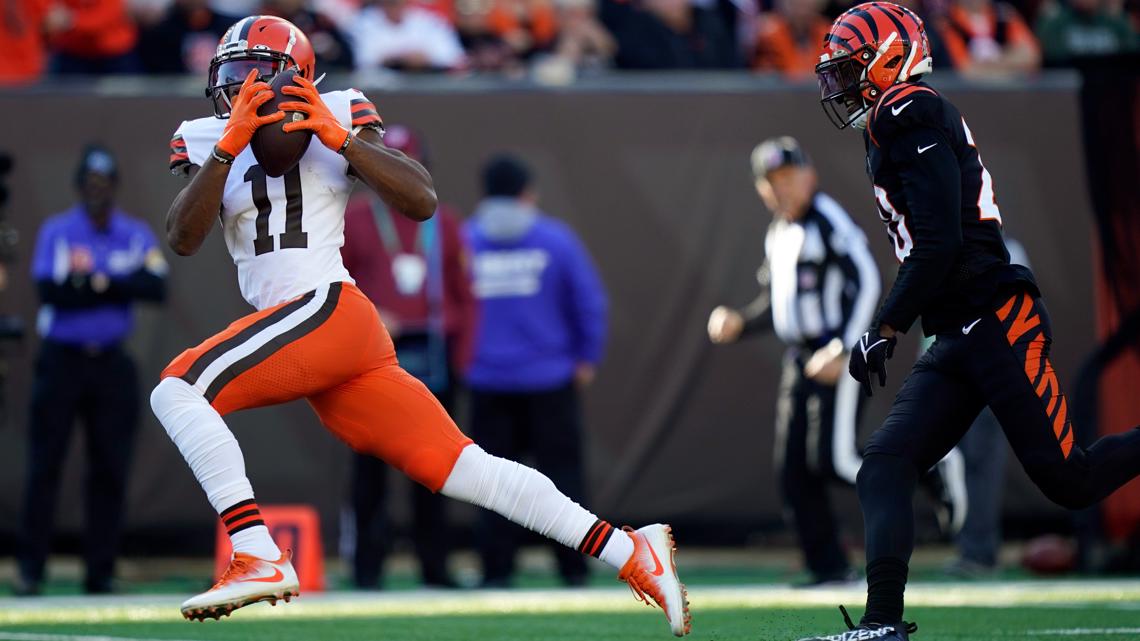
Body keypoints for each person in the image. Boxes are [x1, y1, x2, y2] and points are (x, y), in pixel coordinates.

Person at [152, 16, 689, 636]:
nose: (240, 88)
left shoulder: (340, 109)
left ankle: (257, 552)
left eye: (255, 73)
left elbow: (421, 200)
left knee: (179, 388)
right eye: (232, 76)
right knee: (466, 468)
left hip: (330, 311)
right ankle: (631, 550)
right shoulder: (204, 137)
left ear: (292, 77)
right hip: (313, 330)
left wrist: (343, 141)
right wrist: (228, 147)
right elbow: (181, 237)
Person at [803, 3, 1140, 639]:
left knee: (1071, 480)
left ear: (889, 59)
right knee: (886, 463)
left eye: (850, 69)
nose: (840, 84)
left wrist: (885, 327)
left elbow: (940, 244)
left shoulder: (912, 109)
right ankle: (882, 624)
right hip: (956, 328)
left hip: (994, 315)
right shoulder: (893, 119)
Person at [707, 137, 964, 587]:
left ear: (810, 176)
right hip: (800, 360)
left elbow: (867, 277)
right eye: (772, 182)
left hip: (835, 355)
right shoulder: (779, 231)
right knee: (792, 471)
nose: (782, 188)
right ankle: (827, 567)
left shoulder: (826, 219)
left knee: (835, 460)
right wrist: (741, 323)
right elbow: (779, 302)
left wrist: (845, 347)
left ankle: (930, 465)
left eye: (789, 177)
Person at [17, 145, 167, 596]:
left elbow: (156, 286)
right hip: (62, 358)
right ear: (80, 186)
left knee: (110, 468)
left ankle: (99, 572)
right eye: (90, 183)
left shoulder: (134, 233)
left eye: (105, 183)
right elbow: (52, 291)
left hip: (110, 359)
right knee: (45, 466)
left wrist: (95, 282)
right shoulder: (59, 230)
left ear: (115, 186)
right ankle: (31, 571)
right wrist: (115, 285)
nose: (97, 191)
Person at [340, 124, 476, 589]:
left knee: (435, 470)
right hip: (371, 362)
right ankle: (366, 571)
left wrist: (462, 360)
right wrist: (371, 313)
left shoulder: (446, 221)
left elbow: (466, 295)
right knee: (369, 473)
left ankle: (435, 569)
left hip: (433, 357)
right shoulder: (355, 218)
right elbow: (333, 284)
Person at [464, 154, 608, 588]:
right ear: (527, 193)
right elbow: (589, 302)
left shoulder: (464, 242)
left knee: (491, 487)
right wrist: (587, 358)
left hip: (487, 383)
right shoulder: (555, 240)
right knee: (563, 482)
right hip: (551, 381)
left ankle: (496, 572)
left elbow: (447, 310)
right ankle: (573, 570)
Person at [349, 0, 467, 71]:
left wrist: (423, 58)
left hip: (428, 82)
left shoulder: (428, 20)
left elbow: (454, 57)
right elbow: (363, 60)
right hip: (382, 90)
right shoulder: (364, 21)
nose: (394, 7)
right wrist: (398, 58)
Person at [937, 0, 1041, 76]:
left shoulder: (1004, 14)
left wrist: (991, 65)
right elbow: (965, 70)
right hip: (968, 99)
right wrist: (1011, 64)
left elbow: (1031, 56)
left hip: (1012, 97)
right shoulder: (946, 22)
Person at [1034, 0, 1138, 67]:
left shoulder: (1117, 24)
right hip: (1067, 93)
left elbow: (1132, 56)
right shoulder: (1053, 25)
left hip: (1112, 89)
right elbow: (1050, 60)